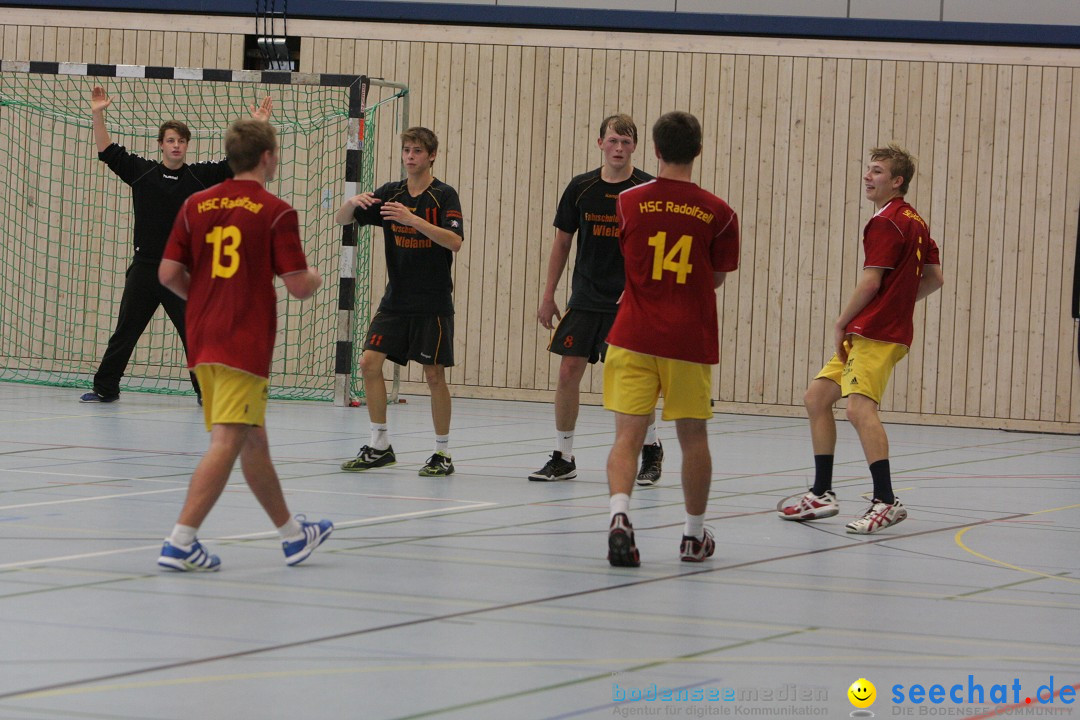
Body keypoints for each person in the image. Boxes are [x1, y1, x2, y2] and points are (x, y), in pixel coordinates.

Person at [156, 118, 331, 571]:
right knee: (229, 439)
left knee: (253, 440)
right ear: (269, 157)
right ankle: (181, 540)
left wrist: (207, 298)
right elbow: (297, 285)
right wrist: (316, 277)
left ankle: (293, 536)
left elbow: (168, 275)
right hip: (243, 340)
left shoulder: (195, 203)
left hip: (201, 337)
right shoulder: (275, 210)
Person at [778, 143, 944, 534]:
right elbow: (935, 277)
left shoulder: (887, 222)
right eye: (868, 170)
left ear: (897, 181)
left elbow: (871, 282)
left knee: (858, 409)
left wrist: (841, 321)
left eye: (877, 172)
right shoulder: (916, 222)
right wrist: (898, 303)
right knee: (817, 397)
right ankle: (822, 493)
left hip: (877, 334)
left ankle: (886, 501)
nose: (868, 177)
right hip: (875, 330)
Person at [603, 111, 740, 567]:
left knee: (627, 436)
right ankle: (692, 536)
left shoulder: (627, 202)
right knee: (693, 438)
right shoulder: (720, 213)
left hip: (633, 333)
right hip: (688, 338)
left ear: (655, 151)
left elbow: (632, 261)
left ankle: (620, 515)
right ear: (698, 151)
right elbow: (717, 276)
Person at [80, 85, 271, 404]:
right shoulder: (142, 173)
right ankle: (106, 387)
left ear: (186, 146)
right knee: (126, 331)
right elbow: (107, 151)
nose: (176, 145)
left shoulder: (199, 177)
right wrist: (98, 113)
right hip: (144, 269)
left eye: (181, 141)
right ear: (162, 145)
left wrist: (259, 126)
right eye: (171, 140)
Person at [530, 114, 663, 485]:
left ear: (635, 146)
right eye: (612, 141)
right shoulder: (581, 188)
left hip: (629, 302)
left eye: (626, 142)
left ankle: (651, 449)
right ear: (600, 143)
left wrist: (640, 287)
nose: (618, 148)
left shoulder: (647, 189)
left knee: (631, 379)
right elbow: (562, 242)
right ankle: (564, 455)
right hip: (585, 297)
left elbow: (658, 248)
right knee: (568, 372)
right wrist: (548, 295)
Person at [335, 127, 465, 477]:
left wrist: (412, 220)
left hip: (433, 302)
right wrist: (352, 203)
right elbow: (342, 219)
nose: (410, 156)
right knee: (368, 363)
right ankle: (380, 444)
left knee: (434, 375)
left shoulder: (443, 195)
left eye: (418, 151)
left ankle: (442, 453)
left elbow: (454, 241)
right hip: (395, 300)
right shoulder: (390, 193)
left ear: (431, 156)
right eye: (406, 150)